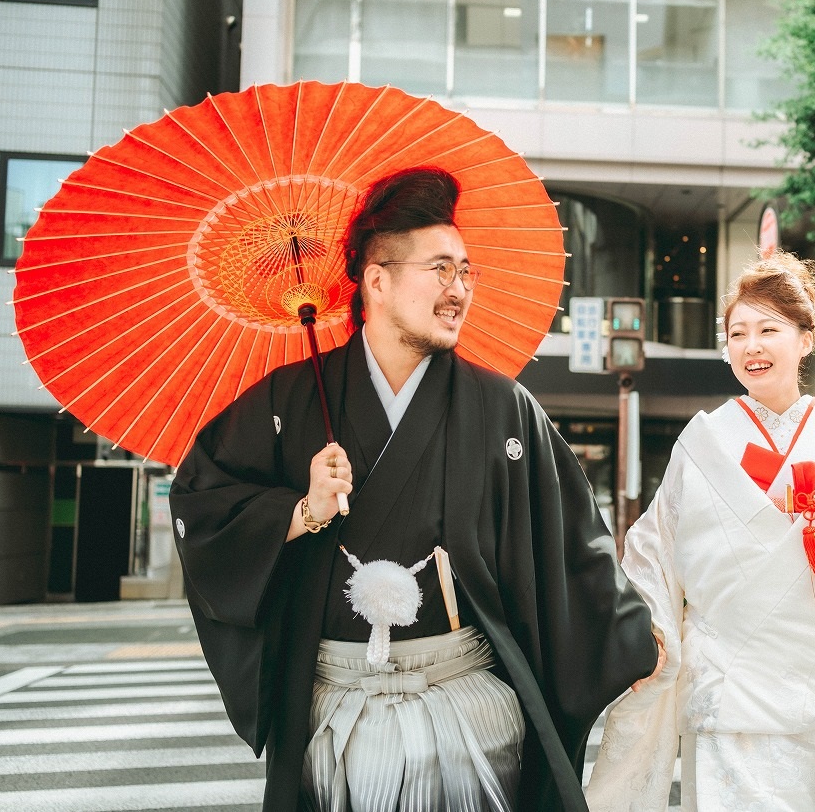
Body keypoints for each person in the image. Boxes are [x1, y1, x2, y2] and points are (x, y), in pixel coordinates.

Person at [170, 167, 660, 812]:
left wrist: (631, 633)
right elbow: (202, 505)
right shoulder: (288, 402)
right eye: (439, 269)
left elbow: (570, 538)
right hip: (334, 706)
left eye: (465, 272)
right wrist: (299, 511)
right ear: (377, 280)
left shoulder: (500, 406)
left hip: (464, 700)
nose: (459, 289)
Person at [585, 252, 815, 811]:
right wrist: (653, 630)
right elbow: (652, 549)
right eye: (737, 333)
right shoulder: (704, 442)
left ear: (806, 339)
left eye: (768, 329)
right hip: (729, 697)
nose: (751, 345)